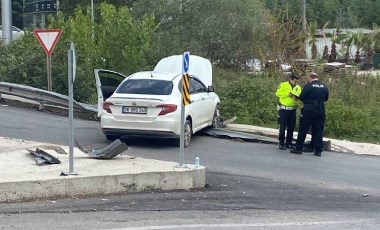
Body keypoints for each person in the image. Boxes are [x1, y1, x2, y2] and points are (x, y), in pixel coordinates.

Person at [290, 72, 329, 157]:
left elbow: (302, 97)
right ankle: (318, 150)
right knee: (318, 130)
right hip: (320, 110)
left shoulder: (308, 86)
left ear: (309, 78)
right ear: (317, 77)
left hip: (308, 110)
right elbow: (326, 98)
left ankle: (298, 148)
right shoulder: (324, 86)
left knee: (303, 129)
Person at [275, 73, 302, 150]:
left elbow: (299, 95)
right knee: (283, 126)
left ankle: (288, 143)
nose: (295, 83)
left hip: (292, 109)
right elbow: (277, 93)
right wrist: (287, 94)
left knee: (291, 127)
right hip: (284, 109)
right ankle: (281, 143)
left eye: (297, 81)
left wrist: (296, 98)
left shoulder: (298, 87)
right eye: (294, 81)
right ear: (290, 79)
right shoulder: (284, 85)